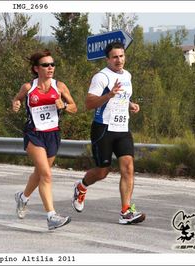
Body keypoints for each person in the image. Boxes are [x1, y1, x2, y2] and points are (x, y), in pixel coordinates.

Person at [71, 41, 145, 225]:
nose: (119, 60)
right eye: (115, 57)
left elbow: (122, 95)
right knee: (102, 172)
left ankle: (126, 211)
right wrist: (108, 95)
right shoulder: (101, 77)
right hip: (103, 129)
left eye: (121, 56)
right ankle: (81, 186)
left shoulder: (127, 75)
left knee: (128, 167)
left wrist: (130, 104)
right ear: (107, 59)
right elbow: (89, 104)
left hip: (122, 129)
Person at [12, 49, 77, 230]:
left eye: (52, 64)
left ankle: (23, 197)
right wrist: (16, 103)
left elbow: (74, 107)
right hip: (34, 133)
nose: (50, 68)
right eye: (45, 65)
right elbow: (17, 99)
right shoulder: (28, 87)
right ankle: (51, 216)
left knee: (40, 173)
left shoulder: (60, 86)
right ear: (36, 69)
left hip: (53, 134)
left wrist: (63, 105)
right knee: (47, 175)